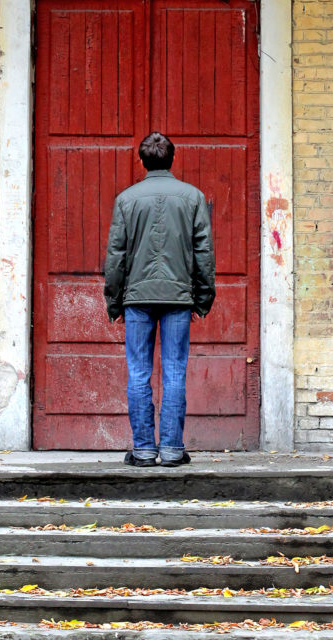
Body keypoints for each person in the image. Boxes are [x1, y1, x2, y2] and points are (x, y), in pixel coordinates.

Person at [103, 132, 216, 468]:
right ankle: (171, 450)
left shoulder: (127, 199)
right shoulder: (193, 197)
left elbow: (115, 256)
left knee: (138, 373)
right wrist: (203, 298)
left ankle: (143, 450)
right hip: (179, 298)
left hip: (137, 297)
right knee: (174, 372)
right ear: (173, 159)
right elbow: (204, 253)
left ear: (141, 162)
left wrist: (114, 301)